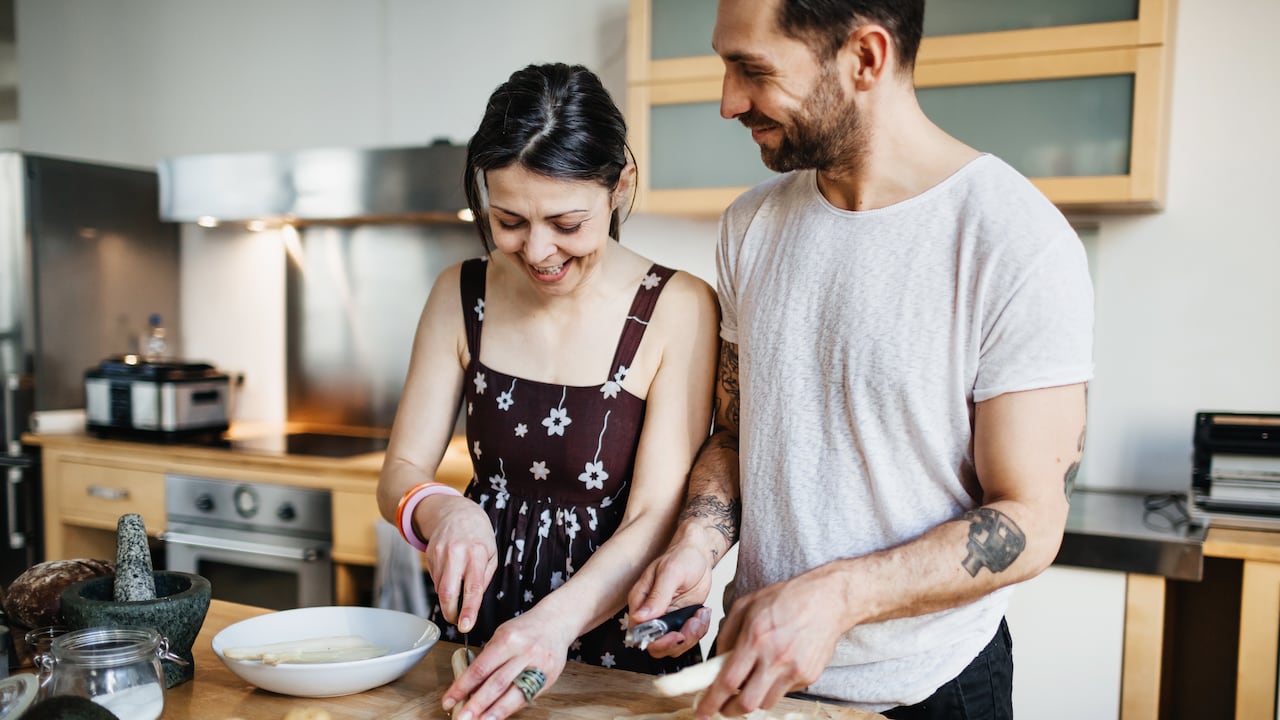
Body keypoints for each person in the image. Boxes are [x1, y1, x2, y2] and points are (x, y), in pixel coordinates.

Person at [626, 1, 1093, 718]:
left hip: (930, 689)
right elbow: (736, 434)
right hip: (758, 675)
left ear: (866, 58)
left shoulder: (1013, 240)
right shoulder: (750, 225)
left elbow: (1031, 519)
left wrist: (837, 598)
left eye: (752, 70)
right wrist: (696, 546)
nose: (728, 101)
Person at [376, 63, 719, 720]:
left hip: (619, 638)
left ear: (621, 186)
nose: (537, 252)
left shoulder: (678, 307)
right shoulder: (460, 293)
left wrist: (553, 626)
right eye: (508, 220)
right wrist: (442, 512)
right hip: (483, 642)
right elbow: (401, 471)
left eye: (566, 223)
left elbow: (654, 516)